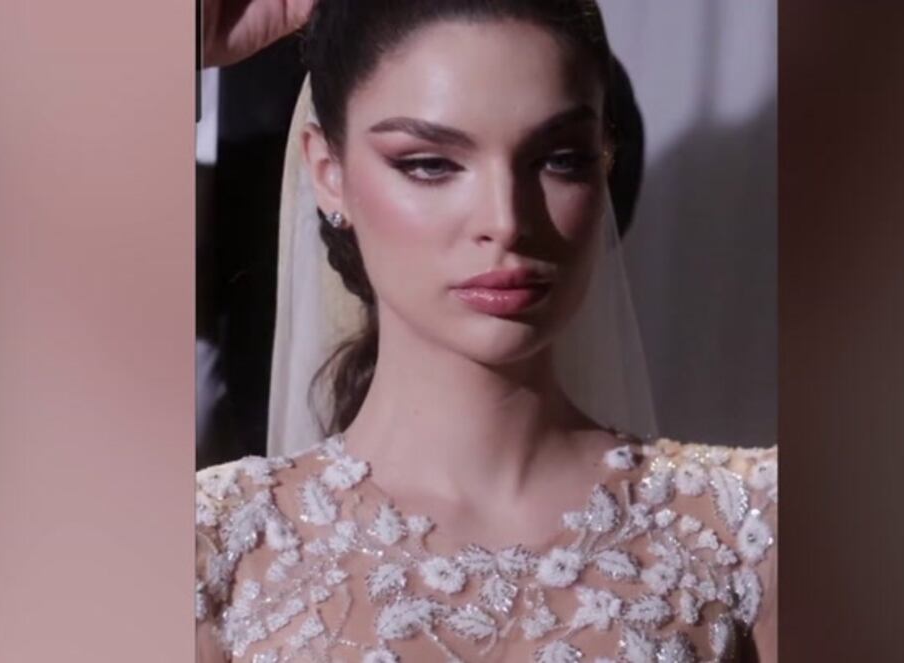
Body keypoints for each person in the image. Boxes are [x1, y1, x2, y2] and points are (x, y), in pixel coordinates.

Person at [196, 1, 778, 661]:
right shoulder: (214, 546)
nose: (505, 220)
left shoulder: (753, 526)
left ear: (606, 163)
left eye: (560, 159)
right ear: (329, 174)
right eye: (430, 164)